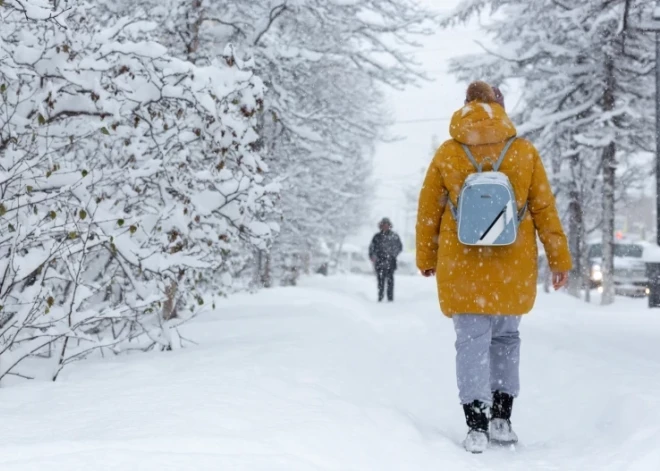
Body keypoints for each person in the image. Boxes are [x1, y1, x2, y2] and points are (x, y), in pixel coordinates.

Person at [415, 81, 571, 453]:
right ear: (499, 106)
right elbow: (544, 209)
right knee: (505, 340)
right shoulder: (523, 152)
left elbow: (428, 211)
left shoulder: (448, 153)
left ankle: (476, 426)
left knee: (470, 344)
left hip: (462, 267)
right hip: (511, 268)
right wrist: (558, 259)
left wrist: (425, 258)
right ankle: (502, 420)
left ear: (466, 105)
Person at [369, 218, 403, 302]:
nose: (385, 226)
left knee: (390, 281)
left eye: (386, 225)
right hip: (379, 263)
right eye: (383, 225)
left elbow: (399, 247)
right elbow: (371, 248)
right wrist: (373, 256)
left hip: (390, 263)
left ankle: (390, 299)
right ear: (381, 226)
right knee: (380, 281)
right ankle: (380, 297)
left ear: (389, 226)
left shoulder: (394, 236)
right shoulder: (377, 237)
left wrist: (393, 255)